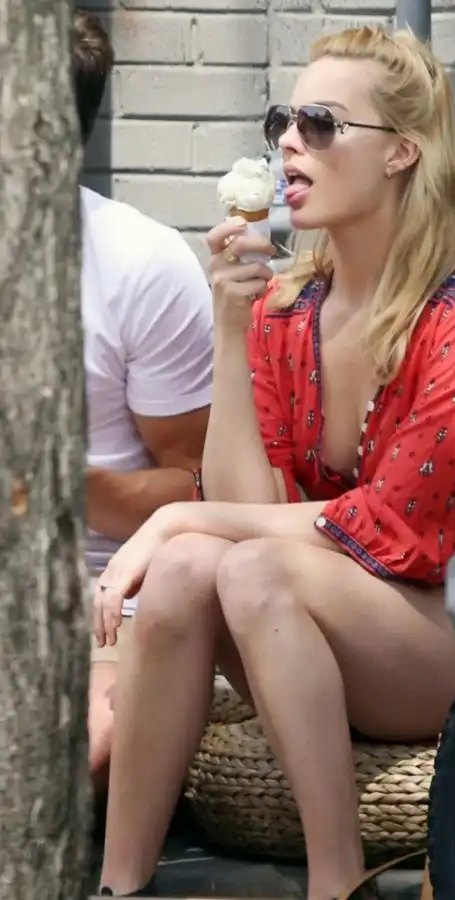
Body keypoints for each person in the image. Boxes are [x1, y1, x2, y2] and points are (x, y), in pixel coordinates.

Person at [95, 26, 455, 899]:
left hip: (446, 643)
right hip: (306, 626)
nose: (289, 141)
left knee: (240, 563)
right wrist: (230, 328)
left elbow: (397, 528)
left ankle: (336, 880)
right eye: (282, 120)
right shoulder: (286, 311)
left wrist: (177, 511)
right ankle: (118, 883)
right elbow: (247, 504)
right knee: (189, 567)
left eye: (320, 123)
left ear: (401, 151)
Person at [73, 11, 214, 785]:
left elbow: (197, 487)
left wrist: (59, 486)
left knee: (59, 764)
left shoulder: (139, 263)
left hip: (94, 603)